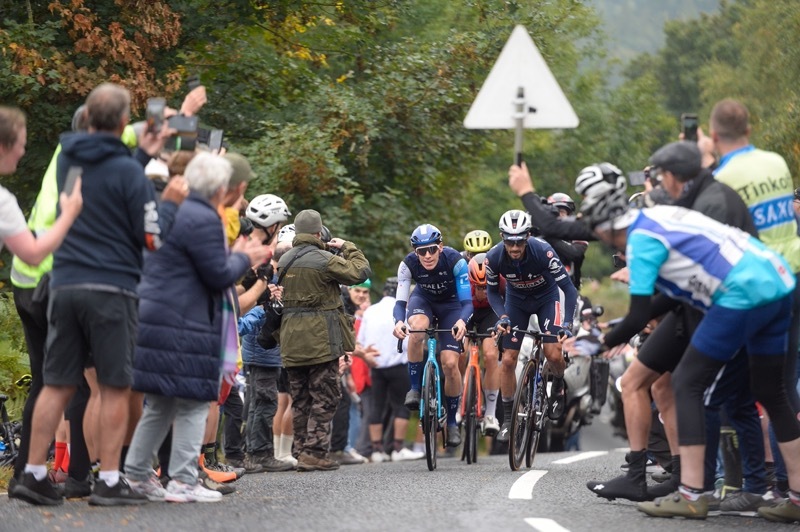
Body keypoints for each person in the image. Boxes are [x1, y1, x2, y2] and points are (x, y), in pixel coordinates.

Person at [576, 181, 800, 522]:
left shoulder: (642, 242)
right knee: (772, 391)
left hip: (741, 294)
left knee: (686, 384)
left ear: (604, 229)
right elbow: (674, 296)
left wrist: (597, 343)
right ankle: (796, 497)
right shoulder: (661, 217)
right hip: (780, 280)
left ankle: (692, 494)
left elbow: (639, 315)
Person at [14, 82, 183, 507]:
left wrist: (140, 153)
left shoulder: (69, 157)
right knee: (113, 385)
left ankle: (33, 473)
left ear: (87, 118)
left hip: (65, 283)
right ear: (125, 122)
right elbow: (151, 237)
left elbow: (99, 175)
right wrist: (167, 203)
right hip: (113, 288)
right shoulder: (130, 173)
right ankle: (109, 479)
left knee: (56, 383)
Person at [124, 152, 271, 502]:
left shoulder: (177, 209)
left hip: (157, 316)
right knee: (192, 403)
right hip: (185, 321)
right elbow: (217, 274)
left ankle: (137, 475)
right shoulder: (203, 218)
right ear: (221, 188)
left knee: (160, 404)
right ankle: (183, 481)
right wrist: (245, 258)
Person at [278, 209, 370, 471]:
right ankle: (315, 452)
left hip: (291, 341)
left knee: (301, 398)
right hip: (320, 340)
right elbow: (360, 272)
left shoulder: (284, 260)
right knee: (326, 396)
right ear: (319, 233)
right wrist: (348, 246)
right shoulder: (325, 259)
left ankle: (300, 450)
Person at [484, 210, 578, 442]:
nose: (514, 248)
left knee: (553, 353)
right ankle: (508, 419)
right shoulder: (494, 257)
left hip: (547, 298)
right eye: (509, 242)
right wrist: (503, 316)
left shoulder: (543, 251)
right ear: (501, 237)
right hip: (517, 303)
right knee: (507, 360)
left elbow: (569, 289)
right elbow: (492, 293)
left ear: (527, 236)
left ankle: (557, 384)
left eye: (519, 242)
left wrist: (566, 323)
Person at [392, 224, 471, 448]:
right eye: (421, 251)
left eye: (432, 250)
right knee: (415, 330)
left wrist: (461, 321)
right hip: (423, 301)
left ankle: (453, 422)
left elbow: (467, 302)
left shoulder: (456, 261)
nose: (427, 255)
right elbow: (400, 303)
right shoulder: (408, 265)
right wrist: (398, 321)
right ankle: (415, 388)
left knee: (449, 364)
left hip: (451, 307)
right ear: (415, 252)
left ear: (441, 247)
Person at [0, 106, 83, 267]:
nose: (23, 152)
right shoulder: (2, 202)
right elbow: (32, 254)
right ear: (3, 148)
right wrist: (68, 215)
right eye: (21, 145)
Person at [358, 277, 424, 462]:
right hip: (398, 363)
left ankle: (377, 450)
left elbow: (361, 340)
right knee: (401, 407)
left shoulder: (370, 311)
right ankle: (397, 447)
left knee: (376, 406)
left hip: (376, 364)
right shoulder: (404, 311)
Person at [465, 253, 501, 436]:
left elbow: (510, 304)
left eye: (487, 287)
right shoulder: (463, 283)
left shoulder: (501, 281)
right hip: (467, 309)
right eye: (479, 287)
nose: (483, 292)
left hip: (490, 313)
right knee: (458, 352)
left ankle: (490, 414)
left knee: (490, 355)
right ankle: (458, 403)